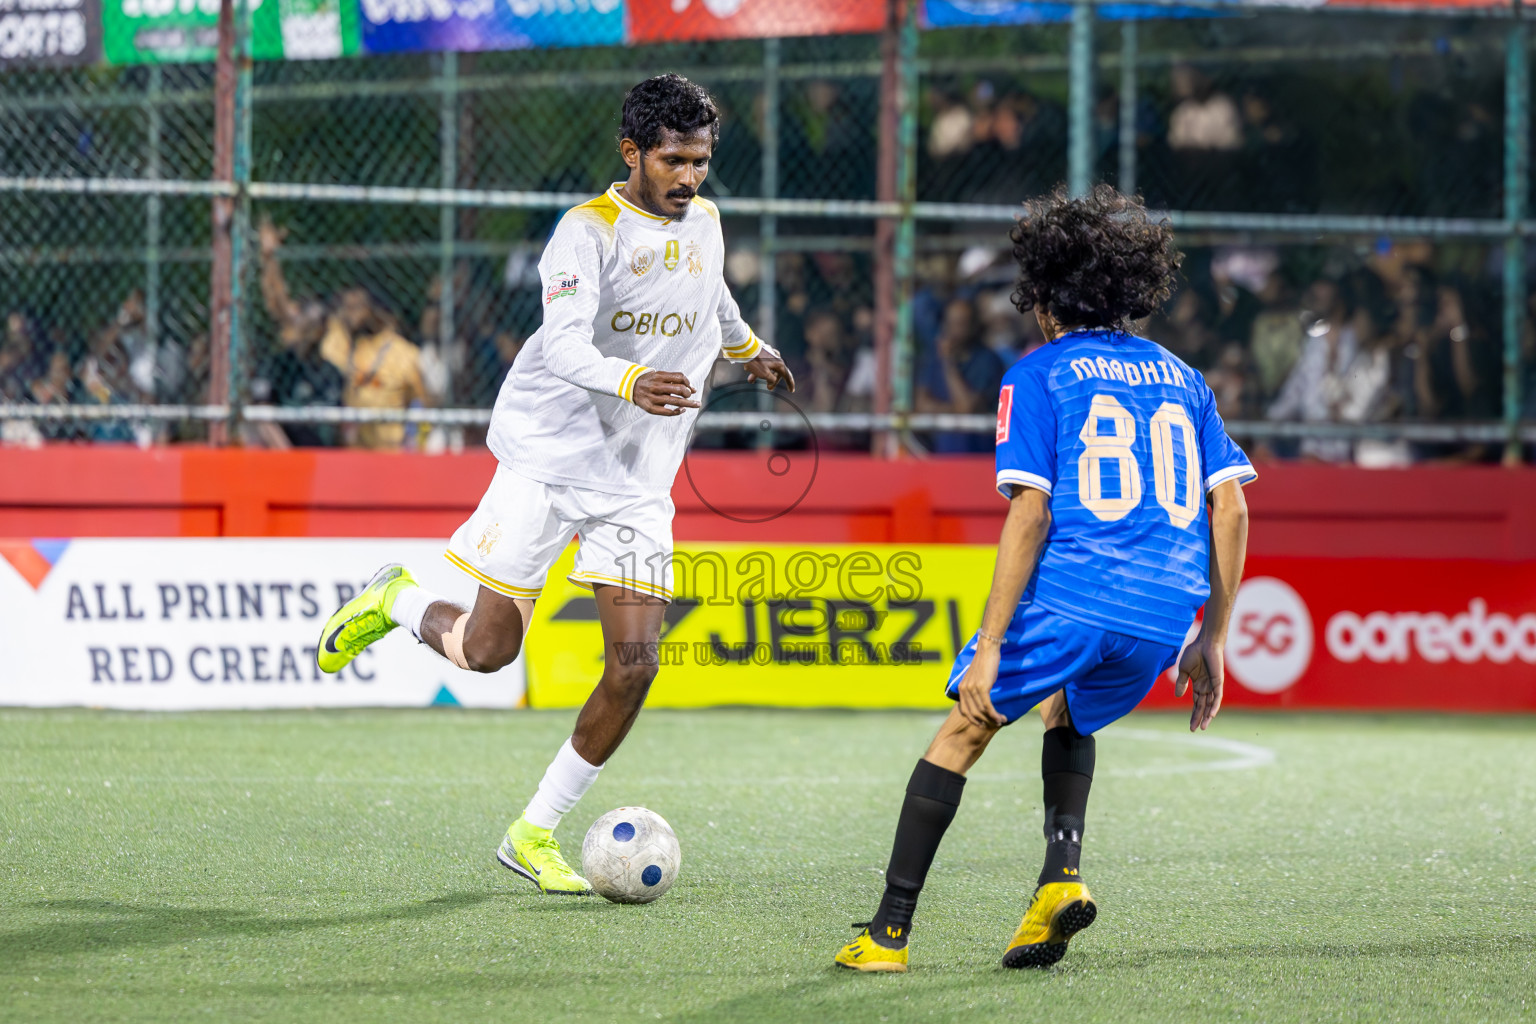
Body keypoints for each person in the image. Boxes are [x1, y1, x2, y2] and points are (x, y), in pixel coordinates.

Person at [312, 74, 793, 895]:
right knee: (489, 653)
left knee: (635, 665)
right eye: (673, 160)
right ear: (631, 152)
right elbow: (564, 346)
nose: (688, 178)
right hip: (550, 459)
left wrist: (748, 349)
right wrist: (634, 379)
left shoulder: (705, 219)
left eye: (701, 161)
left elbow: (709, 295)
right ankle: (395, 601)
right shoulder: (585, 233)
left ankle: (533, 832)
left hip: (639, 480)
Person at [833, 185, 1254, 973]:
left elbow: (1029, 513)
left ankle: (887, 935)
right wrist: (1212, 636)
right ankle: (1058, 882)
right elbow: (1228, 510)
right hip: (1164, 611)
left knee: (965, 727)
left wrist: (990, 644)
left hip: (1079, 594)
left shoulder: (1039, 373)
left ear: (1044, 297)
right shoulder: (1183, 376)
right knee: (1067, 706)